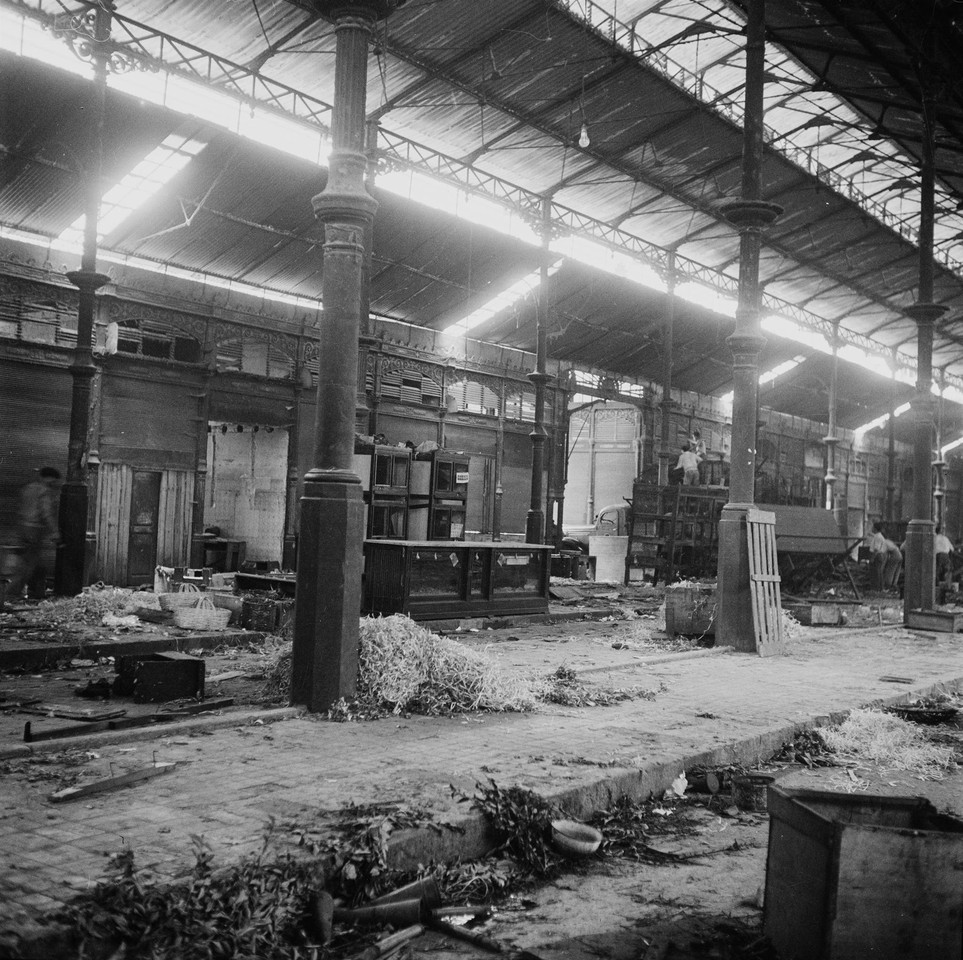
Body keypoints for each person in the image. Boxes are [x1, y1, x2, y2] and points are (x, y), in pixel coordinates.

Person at [7, 467, 61, 601]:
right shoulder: (44, 491)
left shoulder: (28, 488)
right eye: (53, 480)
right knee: (28, 564)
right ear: (49, 477)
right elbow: (46, 513)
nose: (54, 483)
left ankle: (26, 591)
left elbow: (19, 508)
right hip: (34, 529)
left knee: (24, 562)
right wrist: (55, 532)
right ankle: (12, 594)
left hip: (21, 527)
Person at [866, 521, 901, 593]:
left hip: (878, 555)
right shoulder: (878, 536)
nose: (871, 528)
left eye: (872, 527)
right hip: (880, 555)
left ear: (875, 529)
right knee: (879, 572)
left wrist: (872, 558)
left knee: (878, 573)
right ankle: (879, 588)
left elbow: (876, 549)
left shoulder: (878, 537)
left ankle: (879, 589)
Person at [934, 524, 954, 595]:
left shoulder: (934, 538)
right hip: (945, 555)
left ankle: (936, 587)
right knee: (948, 570)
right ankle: (947, 587)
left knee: (936, 571)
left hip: (937, 556)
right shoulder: (945, 538)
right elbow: (952, 549)